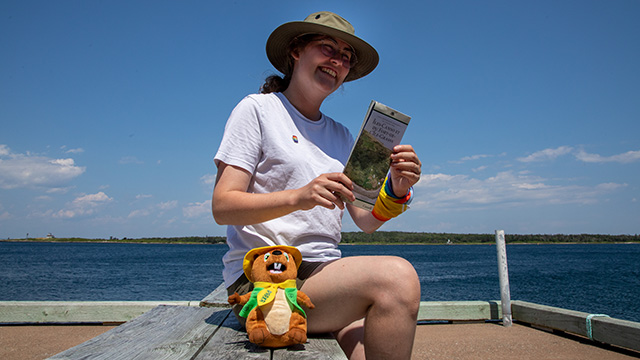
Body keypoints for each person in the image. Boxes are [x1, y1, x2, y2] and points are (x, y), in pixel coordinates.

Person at [212, 11, 422, 360]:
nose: (337, 61)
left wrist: (398, 188)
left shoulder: (341, 135)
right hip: (266, 279)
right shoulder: (257, 109)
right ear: (296, 51)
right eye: (327, 48)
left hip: (323, 276)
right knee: (398, 278)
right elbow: (223, 206)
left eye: (345, 57)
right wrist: (299, 196)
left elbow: (366, 219)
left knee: (369, 351)